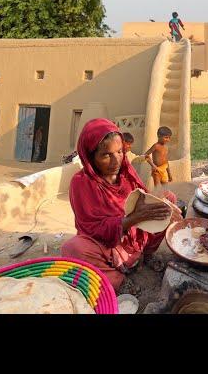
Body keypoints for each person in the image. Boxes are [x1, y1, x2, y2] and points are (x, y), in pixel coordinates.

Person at [61, 119, 181, 294]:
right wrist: (133, 219)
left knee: (168, 200)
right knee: (72, 248)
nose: (116, 160)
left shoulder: (127, 174)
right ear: (90, 156)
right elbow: (93, 228)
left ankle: (146, 255)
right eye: (106, 155)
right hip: (108, 246)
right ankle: (119, 281)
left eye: (119, 152)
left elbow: (144, 198)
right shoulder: (82, 183)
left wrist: (161, 203)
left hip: (135, 238)